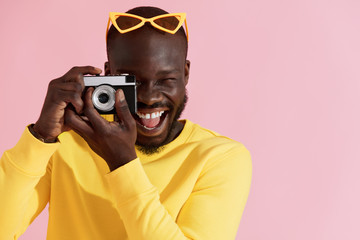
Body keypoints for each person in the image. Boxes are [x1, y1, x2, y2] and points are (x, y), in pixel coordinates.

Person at [0, 6, 252, 240]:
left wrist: (122, 163)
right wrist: (40, 137)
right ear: (109, 75)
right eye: (133, 81)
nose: (149, 97)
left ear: (185, 73)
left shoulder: (219, 157)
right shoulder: (66, 142)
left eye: (165, 80)